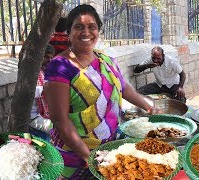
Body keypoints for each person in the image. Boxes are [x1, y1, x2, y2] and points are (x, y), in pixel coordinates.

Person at [43, 4, 155, 179]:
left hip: (108, 148)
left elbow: (123, 87)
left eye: (91, 27)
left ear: (98, 31)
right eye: (78, 27)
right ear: (68, 33)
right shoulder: (60, 67)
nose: (86, 32)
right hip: (74, 154)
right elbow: (59, 119)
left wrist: (149, 106)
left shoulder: (106, 60)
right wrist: (88, 156)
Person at [29, 44, 55, 139]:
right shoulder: (32, 74)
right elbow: (32, 92)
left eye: (51, 58)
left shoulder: (44, 73)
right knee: (59, 127)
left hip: (44, 114)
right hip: (33, 118)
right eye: (46, 57)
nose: (49, 60)